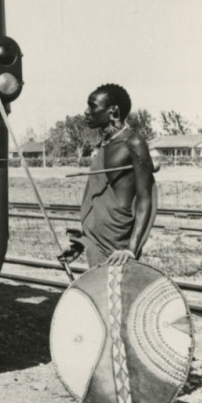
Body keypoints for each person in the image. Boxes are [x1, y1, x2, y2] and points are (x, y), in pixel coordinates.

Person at [61, 84, 156, 268]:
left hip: (118, 244)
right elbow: (100, 198)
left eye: (93, 106)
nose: (86, 112)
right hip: (98, 240)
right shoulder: (104, 144)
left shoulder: (133, 142)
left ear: (113, 111)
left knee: (116, 294)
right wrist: (82, 244)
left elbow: (145, 199)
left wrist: (131, 248)